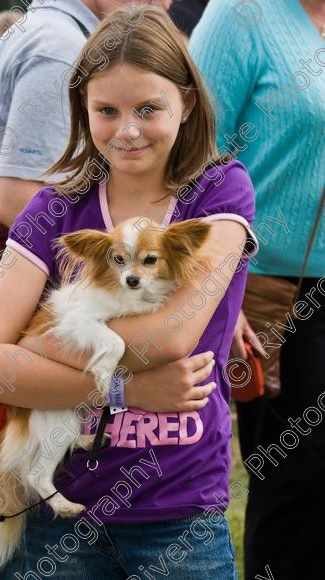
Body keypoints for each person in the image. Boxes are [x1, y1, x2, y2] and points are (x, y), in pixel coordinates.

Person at [0, 4, 259, 578]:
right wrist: (125, 390)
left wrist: (36, 347)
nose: (127, 130)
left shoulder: (219, 192)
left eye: (149, 108)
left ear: (187, 103)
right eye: (107, 110)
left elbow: (171, 336)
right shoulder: (55, 210)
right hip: (59, 518)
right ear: (83, 109)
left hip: (179, 511)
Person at [0, 0, 173, 523]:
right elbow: (17, 201)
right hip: (28, 272)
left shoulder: (45, 28)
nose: (165, 5)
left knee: (13, 455)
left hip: (30, 270)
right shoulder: (60, 49)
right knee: (7, 463)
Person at [189, 1, 325, 579]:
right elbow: (191, 154)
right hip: (271, 290)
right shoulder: (241, 14)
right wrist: (221, 292)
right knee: (298, 479)